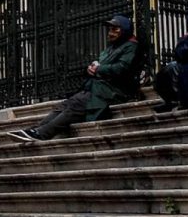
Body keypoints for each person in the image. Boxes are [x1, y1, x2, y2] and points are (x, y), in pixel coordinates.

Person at [11, 14, 144, 141]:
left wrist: (98, 69)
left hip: (115, 92)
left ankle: (42, 133)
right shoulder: (111, 48)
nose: (111, 32)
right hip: (100, 89)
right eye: (110, 29)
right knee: (64, 105)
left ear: (125, 30)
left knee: (77, 103)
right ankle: (35, 129)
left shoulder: (131, 47)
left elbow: (122, 69)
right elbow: (102, 64)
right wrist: (90, 69)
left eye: (115, 29)